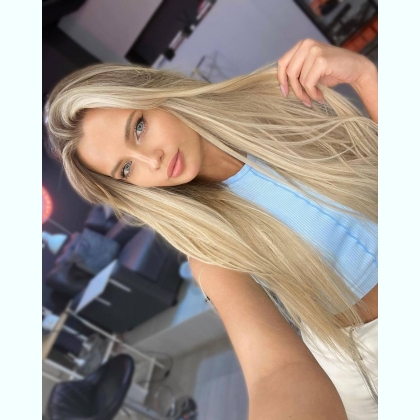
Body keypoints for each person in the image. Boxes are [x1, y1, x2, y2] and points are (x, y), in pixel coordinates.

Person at [45, 39, 378, 420]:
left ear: (155, 93)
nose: (150, 161)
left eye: (138, 127)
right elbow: (274, 372)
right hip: (368, 357)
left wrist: (364, 75)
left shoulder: (278, 99)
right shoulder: (207, 246)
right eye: (126, 169)